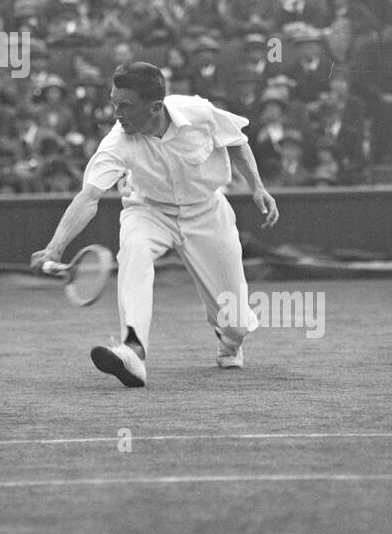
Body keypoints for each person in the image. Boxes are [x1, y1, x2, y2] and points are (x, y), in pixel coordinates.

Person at [30, 61, 279, 388]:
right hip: (148, 212)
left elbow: (236, 141)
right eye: (113, 103)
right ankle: (133, 351)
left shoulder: (198, 113)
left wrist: (257, 187)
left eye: (126, 106)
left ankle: (229, 339)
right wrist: (53, 248)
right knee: (133, 252)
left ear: (156, 107)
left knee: (235, 323)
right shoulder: (116, 143)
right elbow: (88, 197)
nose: (116, 113)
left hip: (207, 211)